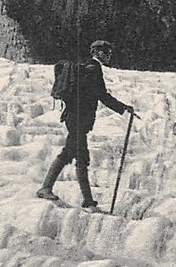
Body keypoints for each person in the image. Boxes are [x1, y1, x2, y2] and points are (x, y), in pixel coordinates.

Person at [37, 40, 134, 212]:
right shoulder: (94, 68)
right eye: (107, 52)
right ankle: (54, 191)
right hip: (79, 120)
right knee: (76, 157)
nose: (109, 55)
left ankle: (85, 200)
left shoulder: (84, 67)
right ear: (98, 53)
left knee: (75, 156)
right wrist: (122, 108)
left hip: (74, 118)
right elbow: (102, 95)